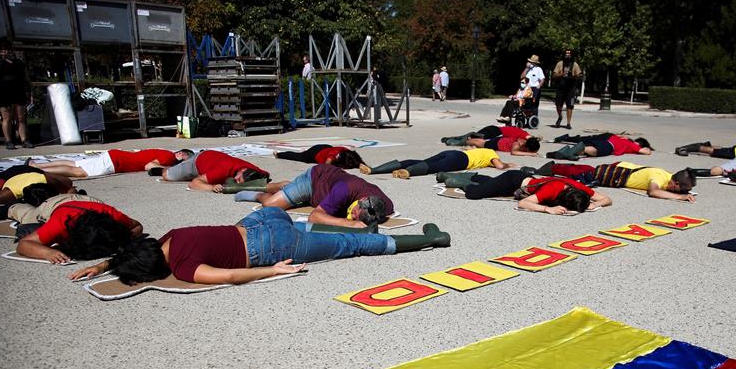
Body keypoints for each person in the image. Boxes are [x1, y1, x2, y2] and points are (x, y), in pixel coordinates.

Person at [68, 209, 452, 285]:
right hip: (260, 219)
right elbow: (136, 243)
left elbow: (233, 275)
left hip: (268, 244)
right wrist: (105, 265)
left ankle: (430, 239)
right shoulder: (170, 236)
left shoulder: (186, 269)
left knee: (349, 246)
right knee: (313, 229)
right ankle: (363, 227)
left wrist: (273, 269)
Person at [233, 164, 394, 230]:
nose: (352, 216)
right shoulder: (344, 190)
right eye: (355, 213)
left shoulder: (384, 205)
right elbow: (314, 217)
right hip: (313, 181)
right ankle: (260, 193)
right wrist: (348, 223)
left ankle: (287, 187)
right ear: (360, 201)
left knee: (293, 193)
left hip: (328, 188)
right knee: (270, 204)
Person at [15, 199, 142, 263]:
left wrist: (127, 237)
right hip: (55, 204)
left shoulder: (115, 216)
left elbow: (138, 226)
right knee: (26, 214)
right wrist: (47, 252)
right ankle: (12, 206)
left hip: (88, 201)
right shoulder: (59, 224)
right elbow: (23, 244)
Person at [436, 170, 611, 214]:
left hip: (527, 180)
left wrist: (594, 203)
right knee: (474, 193)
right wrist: (547, 209)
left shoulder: (579, 189)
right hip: (513, 181)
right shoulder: (553, 190)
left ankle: (476, 177)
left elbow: (607, 199)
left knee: (490, 184)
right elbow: (523, 203)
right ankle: (459, 179)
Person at [360, 148, 518, 179]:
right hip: (462, 160)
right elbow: (498, 166)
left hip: (455, 153)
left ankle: (373, 170)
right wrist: (507, 165)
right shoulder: (492, 153)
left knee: (422, 161)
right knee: (434, 168)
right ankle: (408, 172)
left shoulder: (481, 149)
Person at [30, 148, 192, 179]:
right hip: (116, 162)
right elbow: (149, 166)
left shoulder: (164, 152)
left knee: (76, 163)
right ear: (182, 154)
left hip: (115, 155)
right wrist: (169, 169)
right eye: (185, 160)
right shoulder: (169, 158)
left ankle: (39, 164)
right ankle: (38, 168)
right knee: (79, 172)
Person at [577, 161, 697, 202]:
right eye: (684, 189)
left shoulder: (670, 176)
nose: (684, 192)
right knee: (573, 172)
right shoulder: (659, 176)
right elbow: (653, 192)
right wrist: (680, 197)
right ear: (676, 184)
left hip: (624, 168)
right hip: (615, 171)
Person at [158, 149, 270, 192]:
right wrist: (212, 187)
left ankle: (186, 158)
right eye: (238, 178)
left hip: (214, 158)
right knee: (168, 176)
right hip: (197, 162)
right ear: (243, 170)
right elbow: (194, 183)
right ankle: (167, 166)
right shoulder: (223, 170)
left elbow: (266, 175)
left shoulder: (257, 172)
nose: (236, 182)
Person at [0, 41, 33, 149]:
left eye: (8, 49)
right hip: (3, 93)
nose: (6, 51)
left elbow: (26, 78)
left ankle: (24, 140)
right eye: (3, 49)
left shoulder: (18, 62)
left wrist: (30, 91)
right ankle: (8, 140)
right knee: (7, 117)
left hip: (18, 91)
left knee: (20, 117)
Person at [0, 165, 76, 207]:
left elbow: (69, 186)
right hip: (8, 178)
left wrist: (71, 197)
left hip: (28, 172)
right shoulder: (10, 192)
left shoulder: (49, 180)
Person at [441, 125, 541, 156]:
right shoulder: (518, 144)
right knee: (479, 142)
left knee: (478, 140)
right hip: (497, 141)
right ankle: (458, 141)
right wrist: (530, 154)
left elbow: (532, 139)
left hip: (500, 139)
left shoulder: (522, 139)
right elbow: (513, 152)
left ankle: (456, 140)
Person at [547, 133, 653, 159]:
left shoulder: (623, 138)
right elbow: (646, 152)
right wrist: (647, 149)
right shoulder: (632, 144)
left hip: (607, 138)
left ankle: (566, 146)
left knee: (587, 141)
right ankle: (577, 149)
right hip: (610, 145)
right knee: (596, 151)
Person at [552, 49, 582, 129]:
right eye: (566, 54)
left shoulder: (575, 65)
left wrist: (573, 76)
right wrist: (561, 74)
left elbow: (579, 75)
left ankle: (568, 123)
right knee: (558, 105)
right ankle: (560, 116)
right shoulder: (560, 64)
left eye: (569, 54)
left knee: (570, 106)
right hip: (561, 88)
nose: (567, 55)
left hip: (571, 88)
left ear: (571, 55)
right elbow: (554, 75)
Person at [273, 145, 365, 169]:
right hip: (315, 153)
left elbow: (357, 161)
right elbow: (326, 165)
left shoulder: (347, 152)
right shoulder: (333, 156)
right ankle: (279, 154)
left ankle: (279, 154)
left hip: (325, 147)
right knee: (299, 156)